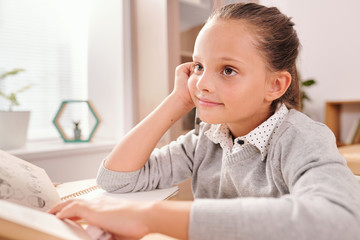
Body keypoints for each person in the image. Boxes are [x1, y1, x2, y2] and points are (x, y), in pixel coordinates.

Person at [49, 3, 360, 240]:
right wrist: (176, 101)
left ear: (275, 86)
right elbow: (116, 179)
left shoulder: (302, 138)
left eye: (227, 70)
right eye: (198, 66)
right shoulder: (207, 138)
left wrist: (151, 216)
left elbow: (338, 220)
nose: (202, 84)